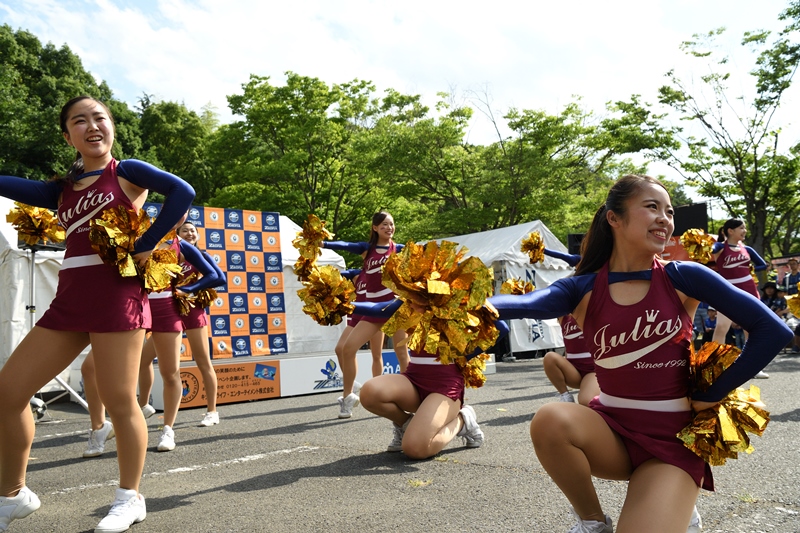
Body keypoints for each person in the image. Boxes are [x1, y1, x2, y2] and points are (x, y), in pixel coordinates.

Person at [487, 175, 791, 532]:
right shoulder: (582, 287)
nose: (665, 218)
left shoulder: (684, 277)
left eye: (669, 211)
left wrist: (713, 393)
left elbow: (773, 331)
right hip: (612, 433)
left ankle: (675, 500)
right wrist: (479, 306)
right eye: (652, 207)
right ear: (614, 218)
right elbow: (528, 303)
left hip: (673, 442)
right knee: (550, 419)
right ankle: (592, 522)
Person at [0, 96, 194, 532]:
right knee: (8, 393)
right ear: (67, 135)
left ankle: (130, 498)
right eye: (79, 121)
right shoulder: (60, 189)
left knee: (120, 400)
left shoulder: (126, 171)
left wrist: (148, 242)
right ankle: (11, 495)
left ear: (112, 127)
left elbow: (182, 192)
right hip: (69, 301)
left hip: (116, 298)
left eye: (99, 118)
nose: (92, 126)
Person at [348, 298, 509, 457]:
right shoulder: (411, 297)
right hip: (413, 378)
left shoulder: (456, 302)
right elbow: (378, 309)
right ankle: (405, 425)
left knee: (415, 449)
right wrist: (343, 304)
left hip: (445, 387)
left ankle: (463, 420)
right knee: (369, 393)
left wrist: (466, 354)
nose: (411, 304)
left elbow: (501, 327)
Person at [136, 226, 225, 451]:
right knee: (143, 360)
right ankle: (143, 405)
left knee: (203, 361)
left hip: (192, 310)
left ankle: (212, 411)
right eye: (185, 231)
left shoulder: (200, 255)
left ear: (198, 235)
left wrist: (191, 288)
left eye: (193, 231)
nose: (189, 234)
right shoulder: (165, 252)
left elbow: (219, 278)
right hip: (168, 308)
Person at [321, 212, 409, 418]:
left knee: (402, 353)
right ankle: (348, 397)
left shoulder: (400, 249)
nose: (389, 228)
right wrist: (322, 243)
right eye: (384, 224)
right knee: (347, 348)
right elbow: (345, 245)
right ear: (375, 228)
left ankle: (410, 395)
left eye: (391, 224)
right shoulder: (366, 249)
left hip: (396, 307)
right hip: (373, 309)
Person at [543, 315, 599, 406]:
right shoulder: (563, 317)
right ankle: (566, 397)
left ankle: (599, 392)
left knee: (586, 401)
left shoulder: (592, 312)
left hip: (592, 371)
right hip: (573, 371)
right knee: (549, 357)